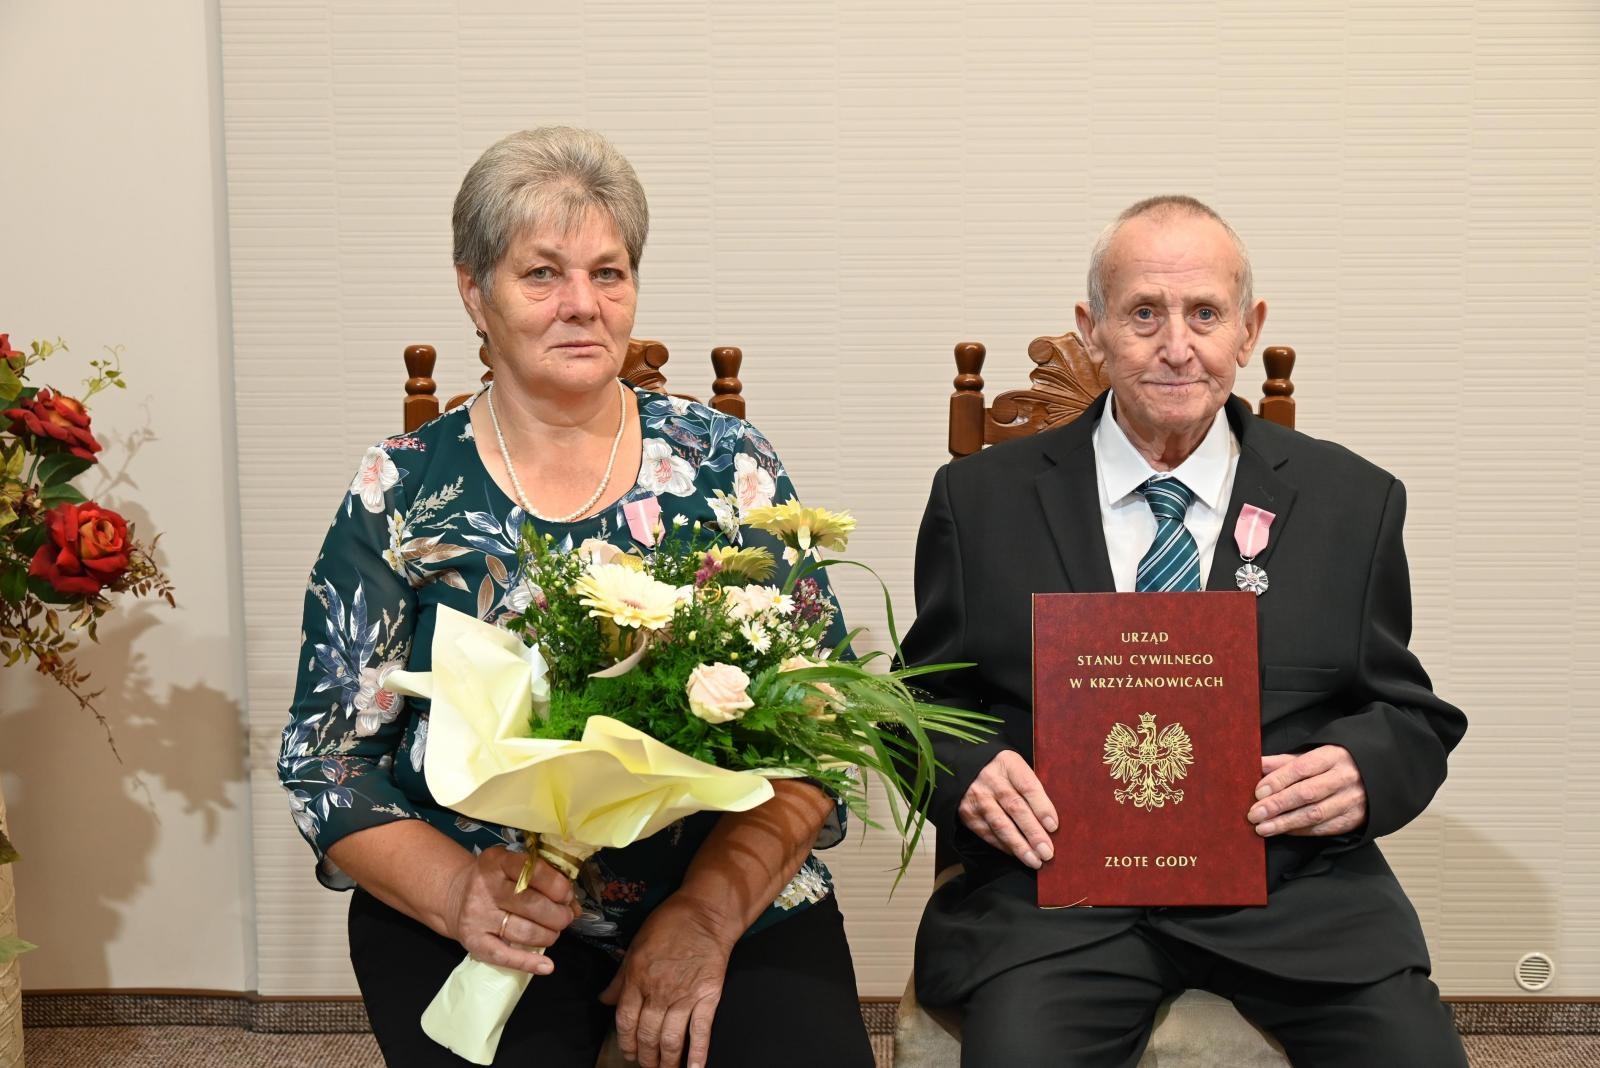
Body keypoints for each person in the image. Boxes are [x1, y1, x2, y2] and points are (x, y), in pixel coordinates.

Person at [278, 127, 873, 1068]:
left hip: (718, 885)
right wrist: (459, 894)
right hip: (483, 896)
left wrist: (706, 914)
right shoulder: (402, 489)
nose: (583, 305)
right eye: (542, 274)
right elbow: (326, 760)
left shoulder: (727, 466)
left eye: (609, 273)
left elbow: (820, 725)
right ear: (474, 291)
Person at [902, 195, 1469, 1067]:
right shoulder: (979, 502)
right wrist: (970, 771)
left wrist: (1361, 770)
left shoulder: (1352, 502)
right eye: (1143, 314)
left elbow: (1410, 715)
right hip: (1058, 899)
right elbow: (919, 703)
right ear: (1093, 331)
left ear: (1249, 330)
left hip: (1291, 894)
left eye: (1205, 313)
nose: (1176, 346)